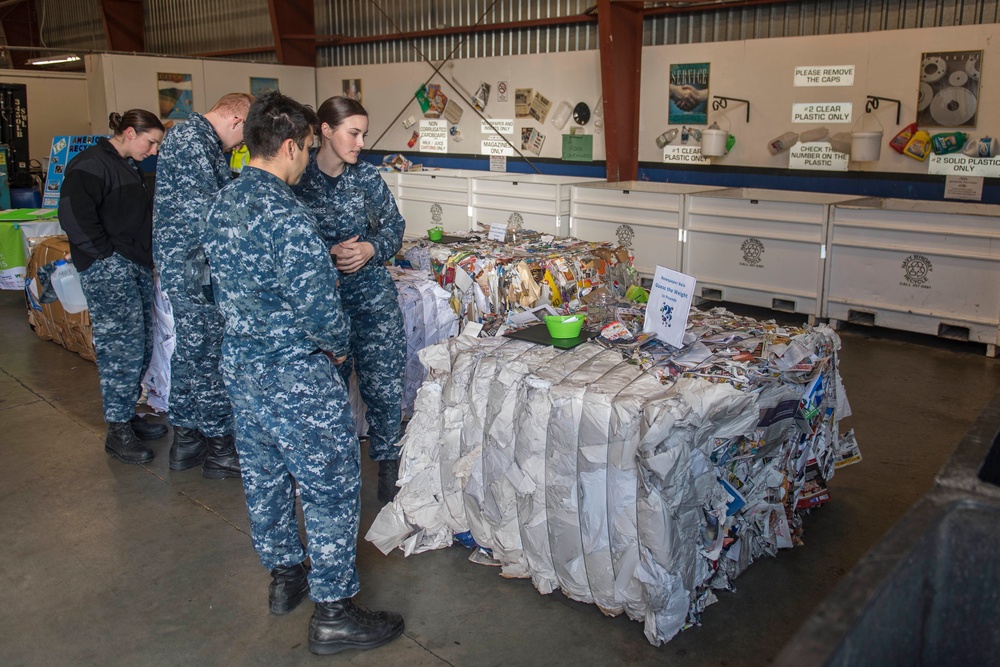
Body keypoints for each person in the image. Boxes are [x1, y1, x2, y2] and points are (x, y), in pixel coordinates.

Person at [201, 91, 404, 655]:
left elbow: (206, 281)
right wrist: (338, 348)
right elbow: (321, 311)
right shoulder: (286, 214)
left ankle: (284, 578)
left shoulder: (223, 201)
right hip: (295, 376)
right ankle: (334, 612)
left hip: (242, 371)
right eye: (307, 146)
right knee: (332, 485)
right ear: (291, 146)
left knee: (264, 480)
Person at [292, 96, 406, 504]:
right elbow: (287, 247)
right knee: (328, 395)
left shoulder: (368, 177)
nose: (360, 143)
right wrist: (328, 254)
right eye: (352, 133)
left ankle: (388, 468)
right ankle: (335, 480)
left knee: (384, 387)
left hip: (373, 303)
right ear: (325, 130)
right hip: (326, 308)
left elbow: (395, 225)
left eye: (363, 134)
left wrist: (372, 249)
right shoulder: (298, 179)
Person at [58, 110, 168, 463]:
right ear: (129, 132)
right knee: (120, 348)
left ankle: (128, 414)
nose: (153, 150)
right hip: (110, 269)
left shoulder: (126, 164)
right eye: (150, 142)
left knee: (140, 344)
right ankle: (117, 429)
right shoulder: (90, 164)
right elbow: (74, 216)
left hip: (133, 264)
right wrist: (105, 257)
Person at [153, 93, 253, 479]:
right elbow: (210, 210)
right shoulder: (193, 142)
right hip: (194, 268)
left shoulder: (196, 140)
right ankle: (218, 447)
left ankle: (186, 438)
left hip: (189, 266)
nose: (242, 146)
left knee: (191, 353)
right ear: (235, 120)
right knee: (209, 355)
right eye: (243, 136)